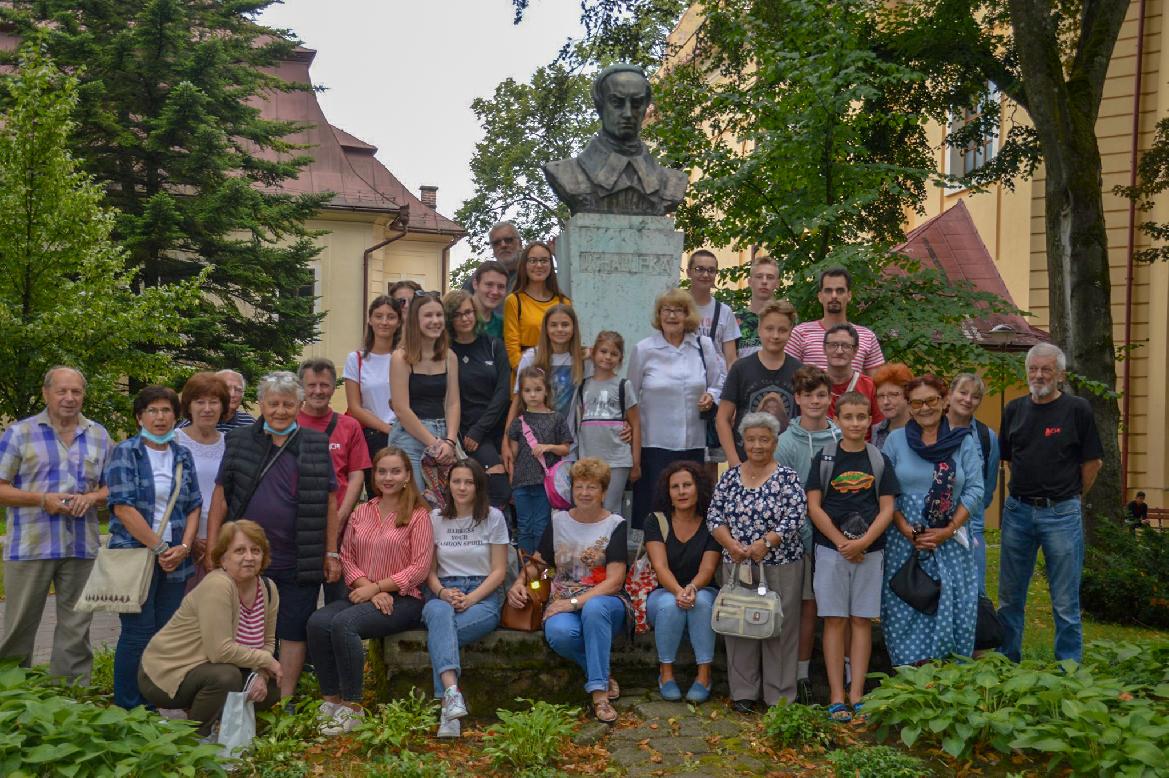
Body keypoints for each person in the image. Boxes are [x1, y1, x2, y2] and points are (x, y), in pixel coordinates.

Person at [206, 371, 340, 699]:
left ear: (299, 405)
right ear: (262, 404)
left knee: (294, 628)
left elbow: (330, 500)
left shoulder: (315, 443)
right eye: (273, 403)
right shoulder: (238, 441)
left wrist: (331, 551)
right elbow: (221, 496)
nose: (280, 411)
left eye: (288, 404)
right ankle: (245, 693)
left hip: (300, 554)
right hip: (246, 556)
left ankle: (285, 698)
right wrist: (213, 548)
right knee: (244, 628)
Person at [307, 446, 433, 735]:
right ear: (374, 476)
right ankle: (332, 701)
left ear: (407, 476)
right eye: (382, 471)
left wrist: (379, 587)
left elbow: (419, 568)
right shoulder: (361, 512)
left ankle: (353, 708)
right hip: (364, 593)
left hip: (404, 600)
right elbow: (347, 557)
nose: (388, 477)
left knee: (345, 623)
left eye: (395, 471)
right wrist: (370, 590)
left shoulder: (418, 515)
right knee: (317, 622)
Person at [0, 367, 111, 682]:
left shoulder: (98, 434)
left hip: (81, 545)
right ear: (46, 393)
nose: (69, 398)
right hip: (31, 545)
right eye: (62, 391)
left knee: (77, 629)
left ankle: (70, 700)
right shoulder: (20, 433)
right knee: (19, 628)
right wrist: (41, 500)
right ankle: (11, 697)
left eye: (76, 392)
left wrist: (92, 499)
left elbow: (113, 485)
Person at [997, 343, 1103, 663]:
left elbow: (1092, 463)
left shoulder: (1077, 409)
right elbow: (1010, 459)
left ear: (1060, 374)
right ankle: (1006, 663)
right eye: (1033, 369)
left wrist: (1068, 495)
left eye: (1046, 369)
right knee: (1009, 598)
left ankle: (1068, 671)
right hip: (1017, 512)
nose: (1039, 375)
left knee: (1065, 602)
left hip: (1062, 513)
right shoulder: (1014, 410)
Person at [507, 458, 629, 724]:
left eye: (592, 487)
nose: (584, 493)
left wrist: (574, 603)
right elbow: (541, 565)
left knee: (594, 611)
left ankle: (599, 696)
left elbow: (615, 581)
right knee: (560, 633)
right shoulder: (558, 521)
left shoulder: (615, 524)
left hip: (604, 600)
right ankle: (601, 674)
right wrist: (519, 583)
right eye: (579, 487)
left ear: (604, 492)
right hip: (562, 598)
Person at [104, 385, 202, 709]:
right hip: (136, 554)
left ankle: (154, 701)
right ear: (139, 417)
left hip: (177, 557)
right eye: (152, 411)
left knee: (163, 633)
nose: (160, 417)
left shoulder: (182, 454)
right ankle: (130, 707)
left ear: (176, 417)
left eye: (166, 411)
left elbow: (193, 504)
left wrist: (185, 546)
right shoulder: (125, 452)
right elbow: (122, 507)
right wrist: (161, 549)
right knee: (137, 632)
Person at [805, 391, 900, 722]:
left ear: (870, 419)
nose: (856, 423)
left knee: (860, 620)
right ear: (838, 418)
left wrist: (863, 543)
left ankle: (857, 692)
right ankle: (835, 695)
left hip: (870, 553)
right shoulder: (825, 458)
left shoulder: (878, 459)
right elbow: (813, 506)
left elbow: (888, 508)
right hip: (830, 552)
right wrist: (841, 542)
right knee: (835, 620)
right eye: (849, 417)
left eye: (862, 417)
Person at [138, 520, 281, 737]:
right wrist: (267, 661)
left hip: (207, 667)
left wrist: (261, 673)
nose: (249, 557)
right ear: (223, 558)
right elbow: (220, 651)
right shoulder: (218, 585)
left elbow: (268, 642)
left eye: (256, 550)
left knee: (269, 690)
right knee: (225, 677)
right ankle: (195, 738)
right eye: (239, 551)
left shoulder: (268, 588)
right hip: (165, 673)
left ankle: (217, 725)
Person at [881, 375, 984, 667]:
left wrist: (949, 529)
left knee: (953, 606)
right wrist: (903, 527)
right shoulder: (895, 440)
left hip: (950, 541)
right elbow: (885, 488)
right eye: (917, 402)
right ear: (909, 407)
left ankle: (950, 681)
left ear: (944, 401)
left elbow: (976, 488)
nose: (925, 407)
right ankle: (909, 679)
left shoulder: (962, 440)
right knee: (906, 607)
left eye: (932, 400)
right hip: (905, 543)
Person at [707, 412, 807, 712]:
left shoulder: (787, 477)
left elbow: (796, 515)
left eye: (764, 439)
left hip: (781, 564)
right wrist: (731, 545)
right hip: (737, 563)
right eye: (751, 439)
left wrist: (767, 542)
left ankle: (779, 696)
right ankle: (743, 693)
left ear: (775, 442)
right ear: (743, 442)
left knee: (779, 627)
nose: (758, 445)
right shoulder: (730, 476)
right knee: (738, 624)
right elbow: (714, 516)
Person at [422, 459, 509, 738]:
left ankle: (448, 710)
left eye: (468, 482)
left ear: (478, 486)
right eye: (456, 481)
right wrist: (443, 593)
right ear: (448, 484)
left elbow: (499, 571)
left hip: (482, 596)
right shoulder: (435, 518)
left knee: (440, 635)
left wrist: (470, 599)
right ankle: (452, 696)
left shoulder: (493, 517)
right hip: (442, 592)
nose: (461, 487)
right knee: (438, 615)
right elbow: (429, 571)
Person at [628, 288, 724, 529]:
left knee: (690, 508)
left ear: (688, 315)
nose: (672, 316)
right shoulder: (644, 349)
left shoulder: (703, 346)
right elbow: (630, 397)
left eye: (678, 311)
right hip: (654, 444)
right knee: (655, 509)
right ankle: (651, 562)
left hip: (692, 442)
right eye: (666, 311)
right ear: (658, 315)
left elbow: (718, 383)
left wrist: (710, 396)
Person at [775, 365, 840, 703]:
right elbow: (784, 494)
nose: (816, 401)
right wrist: (801, 533)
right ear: (797, 399)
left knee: (838, 607)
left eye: (822, 395)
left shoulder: (842, 437)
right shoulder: (785, 443)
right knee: (805, 606)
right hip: (799, 539)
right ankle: (799, 675)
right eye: (809, 395)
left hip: (838, 536)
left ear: (830, 398)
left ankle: (840, 669)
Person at [542, 64, 687, 216]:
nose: (628, 113)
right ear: (600, 105)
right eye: (617, 103)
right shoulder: (566, 174)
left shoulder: (672, 183)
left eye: (636, 104)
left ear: (646, 106)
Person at [644, 462, 721, 703]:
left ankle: (704, 676)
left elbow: (708, 568)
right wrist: (679, 591)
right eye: (675, 487)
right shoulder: (656, 521)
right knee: (670, 604)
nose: (681, 491)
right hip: (664, 591)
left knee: (701, 603)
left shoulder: (712, 522)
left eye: (687, 485)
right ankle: (666, 674)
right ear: (668, 492)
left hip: (702, 587)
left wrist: (692, 588)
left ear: (698, 488)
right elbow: (660, 566)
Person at [297, 358, 372, 601]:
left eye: (324, 385)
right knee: (300, 600)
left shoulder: (349, 425)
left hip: (341, 523)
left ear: (333, 388)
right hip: (300, 525)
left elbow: (356, 473)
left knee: (338, 598)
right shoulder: (288, 424)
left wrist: (341, 516)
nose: (318, 391)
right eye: (312, 385)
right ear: (301, 387)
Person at [444, 290, 512, 507]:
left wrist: (482, 428)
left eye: (469, 312)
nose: (465, 318)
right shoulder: (446, 351)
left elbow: (503, 391)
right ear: (449, 319)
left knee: (512, 489)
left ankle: (503, 537)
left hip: (496, 429)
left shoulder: (493, 345)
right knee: (497, 487)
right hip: (468, 433)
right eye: (458, 314)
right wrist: (472, 432)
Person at [716, 299, 802, 467]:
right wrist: (734, 461)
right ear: (759, 329)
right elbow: (722, 418)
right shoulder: (741, 368)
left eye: (782, 330)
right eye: (769, 328)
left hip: (786, 465)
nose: (775, 335)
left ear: (790, 332)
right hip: (745, 462)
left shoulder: (799, 371)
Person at [389, 292, 461, 494]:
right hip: (411, 436)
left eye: (439, 315)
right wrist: (434, 444)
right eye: (428, 316)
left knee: (447, 504)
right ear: (415, 320)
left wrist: (450, 441)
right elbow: (401, 409)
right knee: (416, 503)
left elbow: (453, 403)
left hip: (444, 434)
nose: (435, 321)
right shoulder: (401, 358)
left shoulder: (449, 357)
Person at [686, 249, 740, 481]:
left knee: (710, 461)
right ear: (689, 272)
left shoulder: (724, 311)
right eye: (699, 269)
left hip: (715, 389)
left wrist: (732, 396)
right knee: (686, 456)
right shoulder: (680, 306)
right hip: (685, 384)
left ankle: (709, 512)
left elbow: (731, 358)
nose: (705, 275)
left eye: (711, 270)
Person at [507, 367, 572, 553]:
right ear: (521, 393)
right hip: (521, 483)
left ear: (546, 391)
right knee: (524, 527)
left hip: (546, 483)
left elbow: (566, 448)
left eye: (537, 389)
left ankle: (541, 572)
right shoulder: (518, 421)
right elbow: (514, 454)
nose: (533, 395)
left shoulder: (556, 418)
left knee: (542, 526)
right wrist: (512, 479)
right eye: (527, 390)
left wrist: (548, 447)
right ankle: (526, 571)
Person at [945, 373, 999, 594]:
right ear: (949, 394)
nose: (968, 400)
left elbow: (988, 485)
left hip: (971, 526)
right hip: (931, 524)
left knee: (974, 593)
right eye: (963, 393)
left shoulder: (987, 437)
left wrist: (968, 511)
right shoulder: (928, 429)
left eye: (975, 397)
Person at [576, 331, 641, 514]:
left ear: (620, 358)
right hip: (588, 458)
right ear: (594, 352)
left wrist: (636, 462)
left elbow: (635, 424)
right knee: (590, 506)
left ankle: (613, 543)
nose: (607, 357)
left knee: (611, 508)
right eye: (603, 351)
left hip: (617, 460)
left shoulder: (623, 385)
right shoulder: (583, 385)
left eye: (614, 354)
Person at [344, 295, 403, 494]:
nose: (384, 322)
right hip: (372, 437)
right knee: (378, 496)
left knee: (407, 496)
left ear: (399, 321)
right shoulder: (356, 359)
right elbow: (355, 407)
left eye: (390, 317)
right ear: (370, 320)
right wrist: (387, 430)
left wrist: (397, 431)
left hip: (405, 433)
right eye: (378, 316)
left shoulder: (406, 357)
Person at [176, 372, 230, 587]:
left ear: (222, 407)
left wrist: (215, 541)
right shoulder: (174, 441)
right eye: (200, 402)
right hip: (181, 541)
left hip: (220, 541)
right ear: (189, 406)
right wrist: (190, 540)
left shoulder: (231, 444)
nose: (207, 408)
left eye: (214, 402)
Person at [785, 267, 885, 375]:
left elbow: (878, 385)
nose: (834, 296)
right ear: (820, 296)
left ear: (849, 295)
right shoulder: (800, 333)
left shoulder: (867, 337)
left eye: (840, 291)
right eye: (828, 291)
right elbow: (787, 378)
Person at [508, 304, 587, 426]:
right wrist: (507, 439)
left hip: (568, 440)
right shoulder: (531, 357)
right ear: (546, 328)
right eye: (553, 325)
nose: (559, 329)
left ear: (574, 328)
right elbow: (517, 400)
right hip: (534, 438)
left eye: (565, 325)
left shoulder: (582, 359)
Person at [502, 241, 571, 375]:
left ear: (551, 265)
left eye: (544, 260)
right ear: (525, 265)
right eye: (533, 261)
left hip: (560, 376)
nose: (539, 265)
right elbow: (512, 350)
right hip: (526, 381)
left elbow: (571, 343)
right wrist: (532, 379)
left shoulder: (564, 302)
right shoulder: (514, 301)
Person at [822, 324, 882, 427]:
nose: (839, 351)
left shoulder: (869, 387)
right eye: (833, 345)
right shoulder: (814, 384)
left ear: (855, 351)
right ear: (824, 349)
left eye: (846, 346)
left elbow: (879, 429)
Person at [734, 255, 780, 358]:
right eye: (759, 276)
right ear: (750, 282)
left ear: (777, 283)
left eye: (770, 277)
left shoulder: (786, 319)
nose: (764, 281)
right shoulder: (735, 321)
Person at [461, 221, 523, 294]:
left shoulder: (533, 273)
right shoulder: (477, 281)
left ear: (520, 244)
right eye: (496, 243)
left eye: (508, 240)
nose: (503, 245)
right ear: (493, 249)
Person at [870, 363, 913, 449]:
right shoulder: (876, 430)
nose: (885, 402)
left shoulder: (923, 428)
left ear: (908, 395)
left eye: (893, 395)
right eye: (881, 396)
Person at [469, 260, 511, 338]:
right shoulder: (455, 318)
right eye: (489, 284)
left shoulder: (502, 326)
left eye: (501, 286)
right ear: (475, 284)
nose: (495, 292)